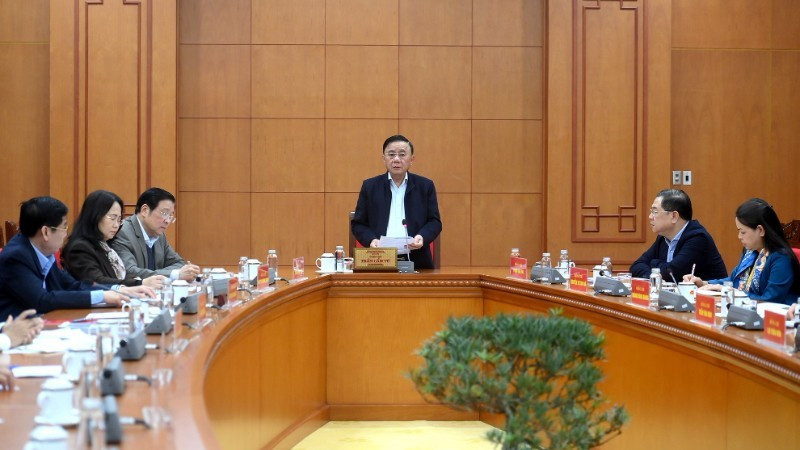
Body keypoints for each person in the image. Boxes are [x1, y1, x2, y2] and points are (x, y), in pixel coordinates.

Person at [0, 197, 153, 318]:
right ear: (46, 232)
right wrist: (103, 296)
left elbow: (72, 285)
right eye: (64, 227)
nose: (66, 234)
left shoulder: (43, 252)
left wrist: (117, 291)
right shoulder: (16, 257)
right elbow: (42, 300)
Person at [685, 198, 800, 306]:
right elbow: (734, 280)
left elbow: (770, 301)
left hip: (777, 321)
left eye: (743, 232)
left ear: (760, 230)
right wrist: (704, 283)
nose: (739, 236)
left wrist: (732, 293)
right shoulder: (750, 252)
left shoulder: (781, 258)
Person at [351, 135, 442, 269]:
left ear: (412, 159)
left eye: (402, 154)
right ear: (384, 159)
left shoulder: (425, 186)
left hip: (417, 260)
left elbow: (434, 222)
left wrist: (421, 237)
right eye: (391, 154)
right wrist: (372, 240)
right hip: (379, 260)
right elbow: (358, 224)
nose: (396, 160)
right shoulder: (370, 187)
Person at [62, 190, 165, 289]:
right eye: (112, 218)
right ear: (95, 216)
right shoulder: (80, 248)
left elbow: (117, 277)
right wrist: (140, 283)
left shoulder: (106, 247)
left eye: (119, 220)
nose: (116, 225)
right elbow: (97, 282)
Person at [630, 189, 727, 281]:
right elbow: (636, 266)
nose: (650, 217)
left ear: (674, 216)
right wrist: (653, 275)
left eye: (655, 212)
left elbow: (672, 273)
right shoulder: (663, 238)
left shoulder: (698, 238)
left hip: (709, 297)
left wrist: (653, 263)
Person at [111, 188, 200, 281]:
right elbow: (129, 272)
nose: (167, 221)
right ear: (145, 210)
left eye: (170, 216)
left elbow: (179, 263)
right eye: (164, 213)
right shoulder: (122, 232)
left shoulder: (159, 235)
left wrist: (156, 274)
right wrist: (174, 274)